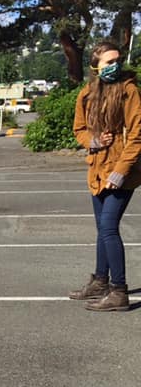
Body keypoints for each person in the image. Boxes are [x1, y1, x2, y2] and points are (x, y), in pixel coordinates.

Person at [69, 40, 141, 312]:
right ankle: (100, 281)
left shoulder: (129, 91)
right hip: (97, 169)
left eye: (117, 60)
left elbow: (137, 135)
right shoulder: (86, 94)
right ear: (95, 65)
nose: (115, 65)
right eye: (109, 62)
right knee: (102, 229)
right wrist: (95, 141)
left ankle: (119, 291)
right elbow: (79, 130)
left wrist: (121, 172)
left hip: (123, 171)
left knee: (109, 227)